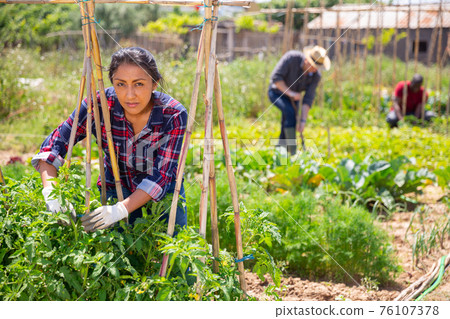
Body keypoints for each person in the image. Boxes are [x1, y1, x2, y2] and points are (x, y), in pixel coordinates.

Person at [32, 47, 188, 232]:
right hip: (116, 184)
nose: (130, 95)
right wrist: (51, 192)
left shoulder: (173, 114)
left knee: (170, 246)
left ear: (155, 84)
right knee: (120, 253)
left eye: (138, 84)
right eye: (121, 84)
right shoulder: (98, 105)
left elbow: (161, 175)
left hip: (164, 191)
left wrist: (120, 209)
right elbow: (53, 145)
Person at [268, 45, 330, 155]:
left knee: (290, 119)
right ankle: (292, 151)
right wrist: (290, 93)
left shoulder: (316, 76)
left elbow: (308, 99)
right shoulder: (292, 58)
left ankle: (280, 150)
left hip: (294, 98)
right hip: (277, 92)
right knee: (289, 112)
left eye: (317, 67)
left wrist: (303, 121)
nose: (315, 69)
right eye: (313, 66)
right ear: (306, 60)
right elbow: (276, 79)